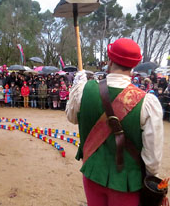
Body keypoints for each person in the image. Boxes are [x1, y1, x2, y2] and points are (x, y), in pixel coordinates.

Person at [66, 38, 164, 206]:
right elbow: (153, 158)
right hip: (128, 182)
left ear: (110, 61)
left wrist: (77, 86)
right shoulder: (148, 102)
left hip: (92, 175)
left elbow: (72, 117)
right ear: (134, 66)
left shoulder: (85, 90)